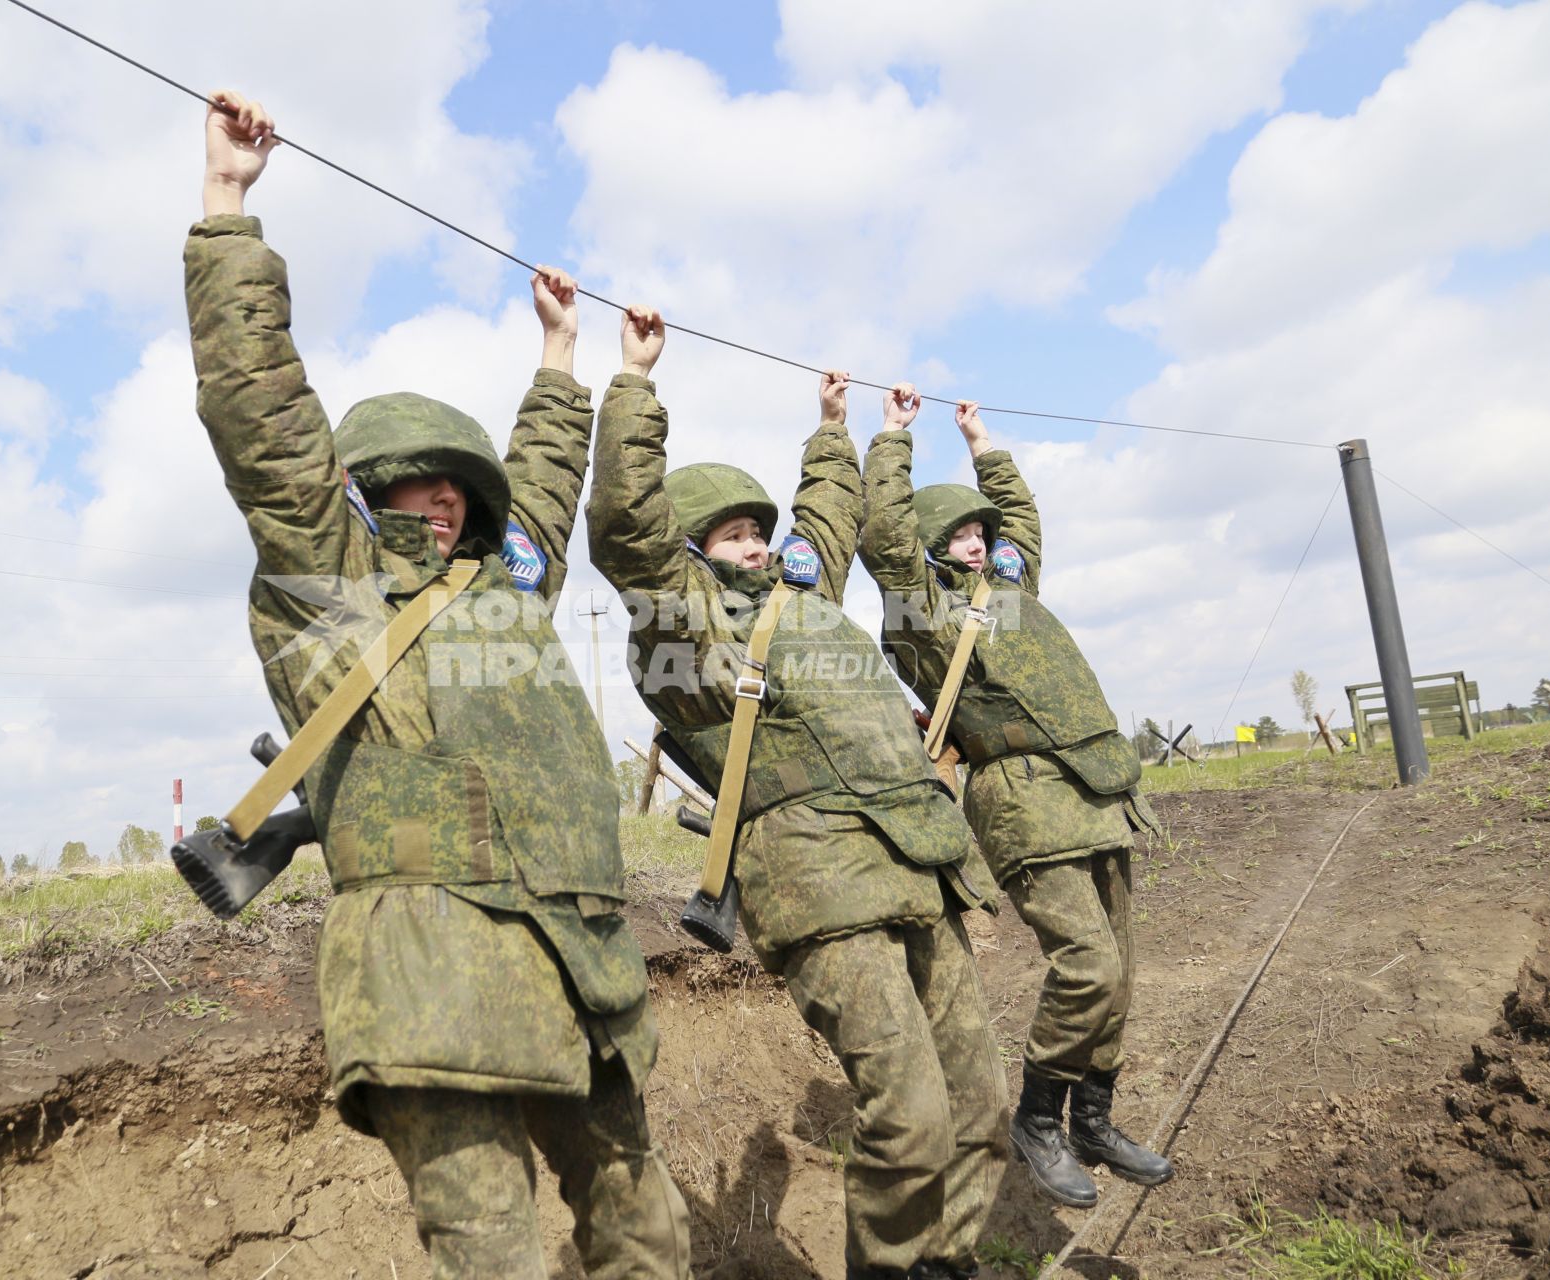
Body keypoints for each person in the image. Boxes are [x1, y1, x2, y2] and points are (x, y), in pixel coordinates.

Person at [184, 90, 689, 1278]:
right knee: (492, 1251)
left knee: (645, 1230)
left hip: (577, 955)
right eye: (415, 483)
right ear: (361, 494)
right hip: (430, 965)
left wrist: (572, 356)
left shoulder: (505, 589)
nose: (445, 499)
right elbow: (259, 412)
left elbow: (547, 483)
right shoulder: (334, 579)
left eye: (456, 484)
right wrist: (226, 207)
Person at [586, 316, 1004, 1280]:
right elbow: (626, 527)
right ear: (690, 553)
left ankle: (948, 1261)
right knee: (909, 1113)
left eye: (758, 532)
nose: (755, 545)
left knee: (977, 1107)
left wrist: (843, 427)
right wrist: (635, 383)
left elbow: (826, 521)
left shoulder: (802, 600)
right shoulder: (683, 636)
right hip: (819, 885)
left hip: (917, 860)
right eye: (730, 535)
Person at [859, 395, 1173, 1210]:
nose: (981, 542)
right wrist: (893, 438)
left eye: (981, 532)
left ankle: (1094, 1119)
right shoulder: (922, 613)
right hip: (1024, 801)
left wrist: (981, 444)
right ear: (934, 547)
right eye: (962, 534)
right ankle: (1038, 1121)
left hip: (1096, 790)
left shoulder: (1012, 587)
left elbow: (1023, 521)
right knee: (1088, 967)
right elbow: (884, 543)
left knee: (1121, 976)